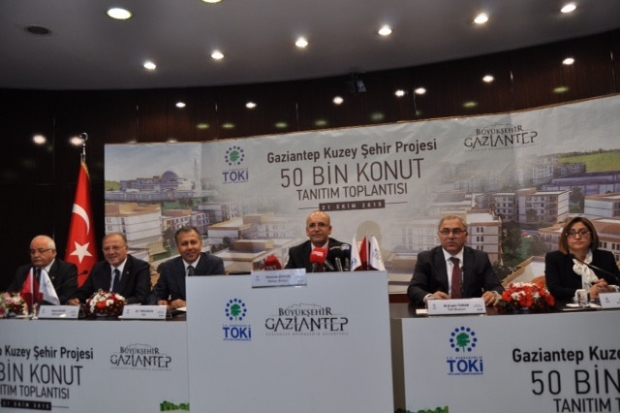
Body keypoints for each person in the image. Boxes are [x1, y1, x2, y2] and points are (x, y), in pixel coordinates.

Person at [407, 216, 504, 307]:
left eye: (456, 232)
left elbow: (497, 287)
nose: (451, 236)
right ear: (439, 236)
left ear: (466, 236)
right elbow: (414, 289)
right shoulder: (426, 258)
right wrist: (429, 298)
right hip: (438, 314)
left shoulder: (480, 258)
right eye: (445, 232)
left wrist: (494, 294)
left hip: (471, 313)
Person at [545, 217, 620, 303]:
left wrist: (610, 289)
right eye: (571, 233)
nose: (577, 237)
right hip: (568, 309)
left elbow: (618, 282)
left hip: (603, 308)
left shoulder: (606, 257)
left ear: (592, 236)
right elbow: (555, 290)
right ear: (565, 238)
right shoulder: (554, 259)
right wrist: (587, 294)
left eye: (583, 232)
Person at [153, 226, 225, 310]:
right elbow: (156, 295)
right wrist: (159, 302)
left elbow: (219, 297)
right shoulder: (169, 267)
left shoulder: (214, 264)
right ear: (177, 248)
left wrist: (189, 305)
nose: (190, 247)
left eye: (193, 242)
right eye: (184, 244)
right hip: (179, 317)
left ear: (201, 244)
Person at [67, 233, 151, 305]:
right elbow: (85, 292)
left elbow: (141, 297)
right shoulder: (99, 267)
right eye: (107, 249)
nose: (111, 252)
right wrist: (76, 299)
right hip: (100, 315)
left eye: (116, 248)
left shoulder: (140, 267)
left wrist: (113, 304)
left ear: (126, 249)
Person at [7, 235, 78, 305]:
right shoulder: (23, 270)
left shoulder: (66, 269)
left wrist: (41, 306)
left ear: (53, 252)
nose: (36, 255)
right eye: (33, 252)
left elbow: (68, 296)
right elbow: (10, 294)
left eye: (41, 251)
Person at [285, 210, 350, 272]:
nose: (316, 229)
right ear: (307, 231)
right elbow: (287, 277)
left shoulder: (344, 250)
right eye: (312, 225)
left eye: (321, 224)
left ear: (329, 229)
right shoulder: (296, 253)